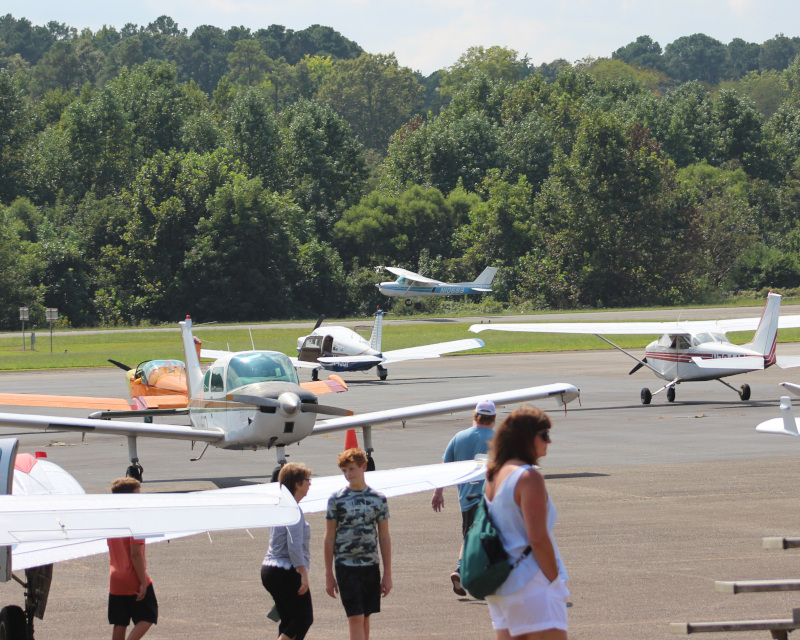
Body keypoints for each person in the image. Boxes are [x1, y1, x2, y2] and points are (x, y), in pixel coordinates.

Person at [483, 405, 569, 640]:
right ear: (526, 438)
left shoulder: (493, 476)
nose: (548, 442)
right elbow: (538, 538)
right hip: (531, 582)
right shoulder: (528, 477)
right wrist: (554, 581)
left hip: (500, 584)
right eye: (544, 435)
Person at [431, 399, 497, 596]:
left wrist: (438, 492)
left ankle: (461, 570)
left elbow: (444, 468)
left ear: (474, 416)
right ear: (493, 418)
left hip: (467, 501)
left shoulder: (459, 437)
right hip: (492, 499)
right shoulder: (499, 439)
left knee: (470, 538)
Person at [324, 448, 392, 640]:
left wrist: (387, 573)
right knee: (355, 617)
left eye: (352, 469)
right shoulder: (336, 499)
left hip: (370, 566)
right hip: (346, 566)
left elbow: (384, 537)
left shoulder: (378, 499)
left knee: (365, 616)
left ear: (364, 467)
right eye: (344, 471)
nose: (348, 475)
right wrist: (329, 573)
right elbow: (329, 538)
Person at [261, 462, 314, 640]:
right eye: (307, 480)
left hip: (270, 570)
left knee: (289, 620)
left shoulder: (279, 506)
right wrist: (303, 574)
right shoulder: (293, 511)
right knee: (303, 619)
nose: (310, 484)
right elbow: (294, 546)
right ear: (297, 484)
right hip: (285, 570)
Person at [107, 477, 158, 640]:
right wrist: (143, 582)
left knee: (120, 621)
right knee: (149, 616)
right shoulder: (137, 520)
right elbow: (135, 553)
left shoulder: (112, 519)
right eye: (137, 494)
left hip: (115, 578)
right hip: (133, 577)